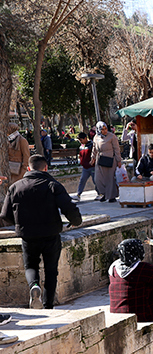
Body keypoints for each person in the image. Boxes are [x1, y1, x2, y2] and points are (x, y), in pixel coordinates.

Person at [1, 155, 82, 309]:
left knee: (31, 265)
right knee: (51, 270)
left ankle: (34, 285)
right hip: (50, 233)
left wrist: (19, 224)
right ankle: (48, 304)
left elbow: (5, 215)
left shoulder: (15, 187)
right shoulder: (53, 185)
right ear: (45, 168)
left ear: (28, 168)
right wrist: (76, 221)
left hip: (28, 234)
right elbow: (69, 207)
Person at [91, 121, 121, 202]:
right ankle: (104, 194)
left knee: (109, 179)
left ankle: (111, 196)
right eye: (102, 129)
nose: (104, 131)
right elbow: (94, 148)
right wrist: (93, 158)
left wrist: (119, 160)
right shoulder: (96, 137)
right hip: (100, 159)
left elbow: (117, 149)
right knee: (98, 179)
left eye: (105, 129)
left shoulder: (112, 136)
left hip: (110, 159)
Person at [72, 132, 96, 201]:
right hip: (85, 167)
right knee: (82, 180)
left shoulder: (91, 145)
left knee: (95, 181)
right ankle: (78, 194)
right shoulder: (81, 146)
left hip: (92, 166)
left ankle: (100, 193)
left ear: (85, 138)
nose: (80, 142)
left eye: (81, 140)